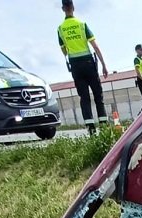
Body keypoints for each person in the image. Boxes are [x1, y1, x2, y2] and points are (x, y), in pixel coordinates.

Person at [58, 0, 109, 133]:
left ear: (63, 9)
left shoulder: (60, 29)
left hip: (75, 65)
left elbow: (63, 51)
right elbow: (95, 46)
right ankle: (103, 126)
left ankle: (91, 129)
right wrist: (103, 65)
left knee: (84, 97)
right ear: (73, 7)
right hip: (88, 63)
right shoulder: (82, 25)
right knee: (98, 94)